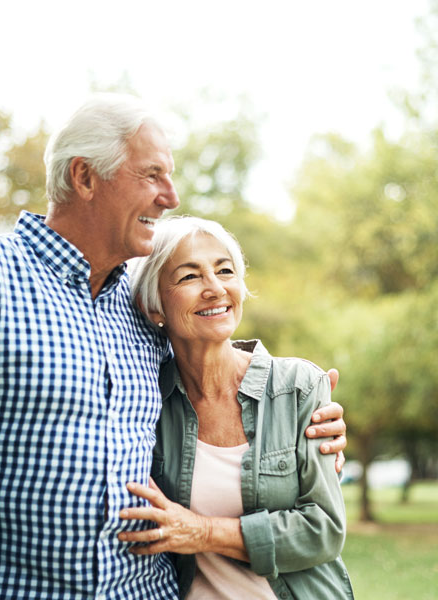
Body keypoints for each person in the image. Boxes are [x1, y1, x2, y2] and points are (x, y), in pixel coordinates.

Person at [0, 95, 347, 600]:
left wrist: (297, 414)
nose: (170, 197)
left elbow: (209, 366)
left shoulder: (133, 298)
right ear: (85, 177)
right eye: (151, 175)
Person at [118, 216, 354, 599]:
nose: (215, 289)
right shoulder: (145, 398)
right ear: (153, 305)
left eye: (225, 271)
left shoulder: (298, 387)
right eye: (189, 277)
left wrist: (201, 531)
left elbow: (323, 530)